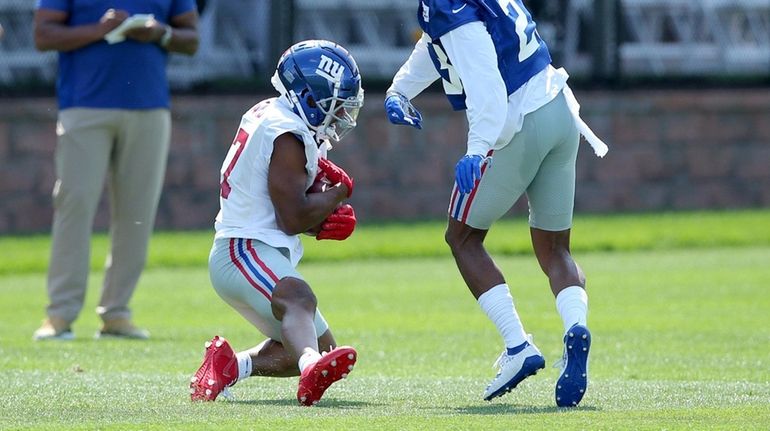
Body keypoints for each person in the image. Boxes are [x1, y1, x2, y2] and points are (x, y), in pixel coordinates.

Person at [384, 0, 608, 407]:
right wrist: (401, 88)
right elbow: (445, 43)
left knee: (463, 237)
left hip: (516, 121)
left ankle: (518, 345)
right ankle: (576, 325)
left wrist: (477, 147)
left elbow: (483, 74)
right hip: (558, 107)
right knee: (556, 247)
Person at [189, 40, 363, 406]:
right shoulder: (287, 132)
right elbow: (292, 217)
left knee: (320, 341)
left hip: (254, 246)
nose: (341, 114)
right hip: (244, 248)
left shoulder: (275, 113)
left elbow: (287, 203)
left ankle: (229, 366)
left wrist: (323, 219)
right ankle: (311, 366)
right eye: (335, 103)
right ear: (309, 96)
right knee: (299, 298)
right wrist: (337, 194)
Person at [32, 1, 199, 340]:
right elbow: (43, 34)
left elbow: (191, 38)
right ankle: (60, 316)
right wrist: (100, 29)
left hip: (150, 107)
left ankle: (116, 314)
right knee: (74, 205)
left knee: (137, 213)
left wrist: (158, 32)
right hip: (84, 107)